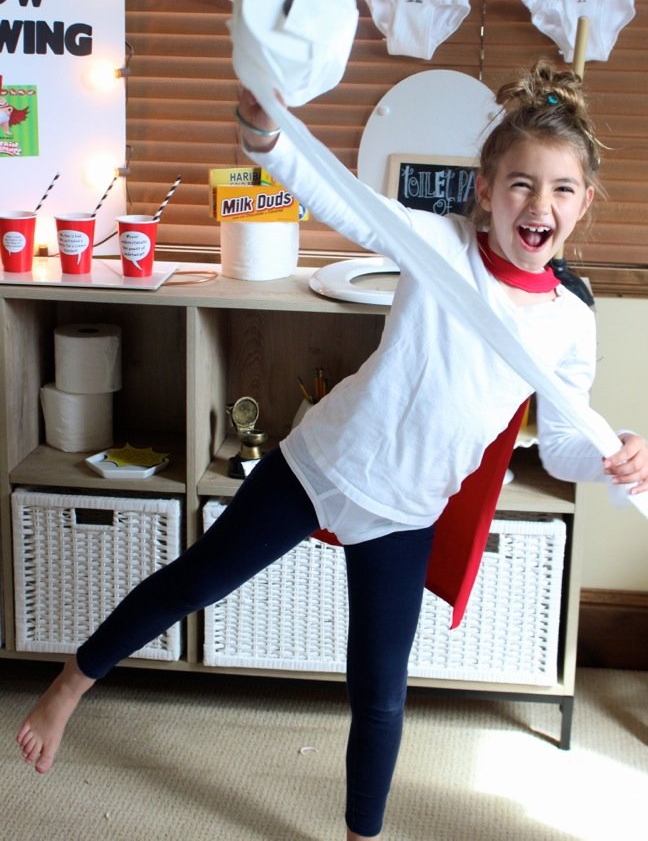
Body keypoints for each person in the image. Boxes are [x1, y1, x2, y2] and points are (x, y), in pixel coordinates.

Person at [17, 61, 648, 841]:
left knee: (381, 691)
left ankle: (361, 836)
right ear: (483, 192)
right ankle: (72, 683)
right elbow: (343, 200)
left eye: (559, 189)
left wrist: (616, 450)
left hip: (407, 511)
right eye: (520, 183)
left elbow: (562, 447)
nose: (538, 203)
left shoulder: (569, 324)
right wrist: (269, 138)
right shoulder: (436, 244)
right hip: (320, 465)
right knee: (196, 579)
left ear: (583, 202)